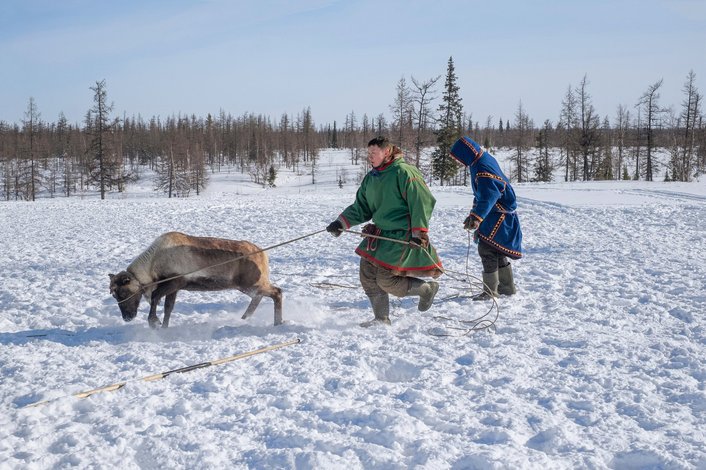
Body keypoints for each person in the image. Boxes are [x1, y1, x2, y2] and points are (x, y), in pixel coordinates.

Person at [326, 136, 443, 327]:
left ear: (386, 151)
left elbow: (421, 202)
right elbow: (361, 207)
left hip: (402, 234)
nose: (370, 157)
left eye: (374, 153)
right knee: (367, 275)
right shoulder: (371, 177)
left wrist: (418, 233)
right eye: (368, 153)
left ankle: (426, 289)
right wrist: (341, 222)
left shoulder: (404, 172)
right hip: (379, 234)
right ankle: (381, 319)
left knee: (386, 279)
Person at [450, 136, 523, 300]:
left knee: (487, 249)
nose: (458, 161)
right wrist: (475, 212)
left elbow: (489, 195)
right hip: (497, 213)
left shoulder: (482, 168)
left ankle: (490, 292)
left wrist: (476, 217)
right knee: (496, 249)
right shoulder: (481, 159)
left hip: (498, 215)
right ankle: (507, 287)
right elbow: (484, 194)